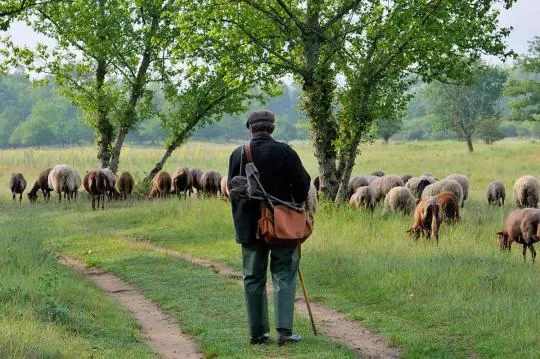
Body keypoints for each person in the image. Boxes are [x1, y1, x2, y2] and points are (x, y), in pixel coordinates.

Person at [227, 110, 311, 345]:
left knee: (253, 278)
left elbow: (233, 191)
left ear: (250, 128)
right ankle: (284, 332)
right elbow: (303, 184)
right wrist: (295, 202)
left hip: (250, 227)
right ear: (272, 128)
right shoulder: (285, 151)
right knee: (284, 274)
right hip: (282, 226)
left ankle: (257, 334)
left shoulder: (238, 154)